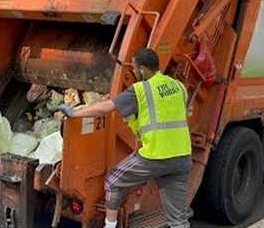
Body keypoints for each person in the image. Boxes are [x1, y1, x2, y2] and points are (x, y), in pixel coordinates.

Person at [55, 48, 192, 228]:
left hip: (155, 156)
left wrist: (75, 112)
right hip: (182, 158)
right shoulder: (179, 87)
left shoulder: (141, 90)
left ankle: (110, 226)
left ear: (142, 69)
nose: (134, 72)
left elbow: (106, 108)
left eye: (135, 68)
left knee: (113, 181)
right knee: (178, 219)